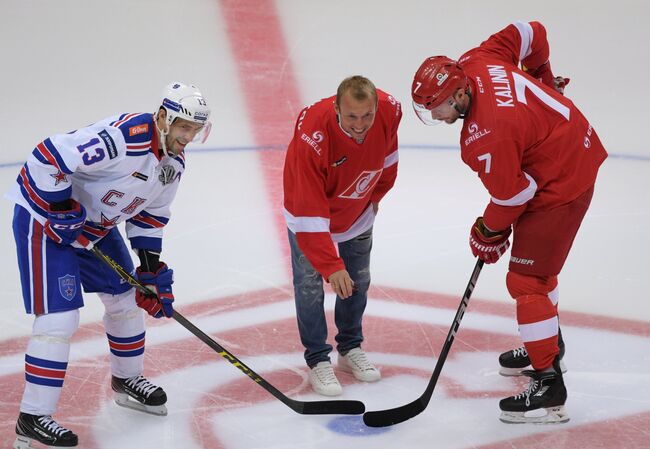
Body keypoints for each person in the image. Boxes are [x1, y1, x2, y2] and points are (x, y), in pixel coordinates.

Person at [411, 21, 607, 423]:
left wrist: (487, 230)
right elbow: (530, 30)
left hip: (562, 181)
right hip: (569, 145)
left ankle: (548, 382)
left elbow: (513, 194)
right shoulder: (476, 60)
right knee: (540, 270)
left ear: (461, 93)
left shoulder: (483, 136)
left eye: (439, 108)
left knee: (526, 280)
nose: (437, 115)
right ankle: (547, 344)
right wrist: (544, 77)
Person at [6, 82, 211, 448]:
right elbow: (48, 155)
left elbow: (150, 216)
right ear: (163, 117)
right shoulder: (126, 137)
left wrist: (150, 271)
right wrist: (58, 207)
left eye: (195, 130)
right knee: (58, 319)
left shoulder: (172, 164)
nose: (188, 137)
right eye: (184, 127)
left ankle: (126, 380)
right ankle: (33, 416)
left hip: (96, 228)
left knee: (127, 300)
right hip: (45, 224)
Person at [282, 76, 402, 396]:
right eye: (351, 116)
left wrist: (375, 197)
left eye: (367, 115)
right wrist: (331, 265)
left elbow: (388, 158)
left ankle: (349, 349)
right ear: (337, 109)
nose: (360, 124)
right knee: (310, 286)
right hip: (310, 214)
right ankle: (318, 358)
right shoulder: (313, 136)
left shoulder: (390, 111)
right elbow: (308, 209)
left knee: (358, 280)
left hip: (357, 211)